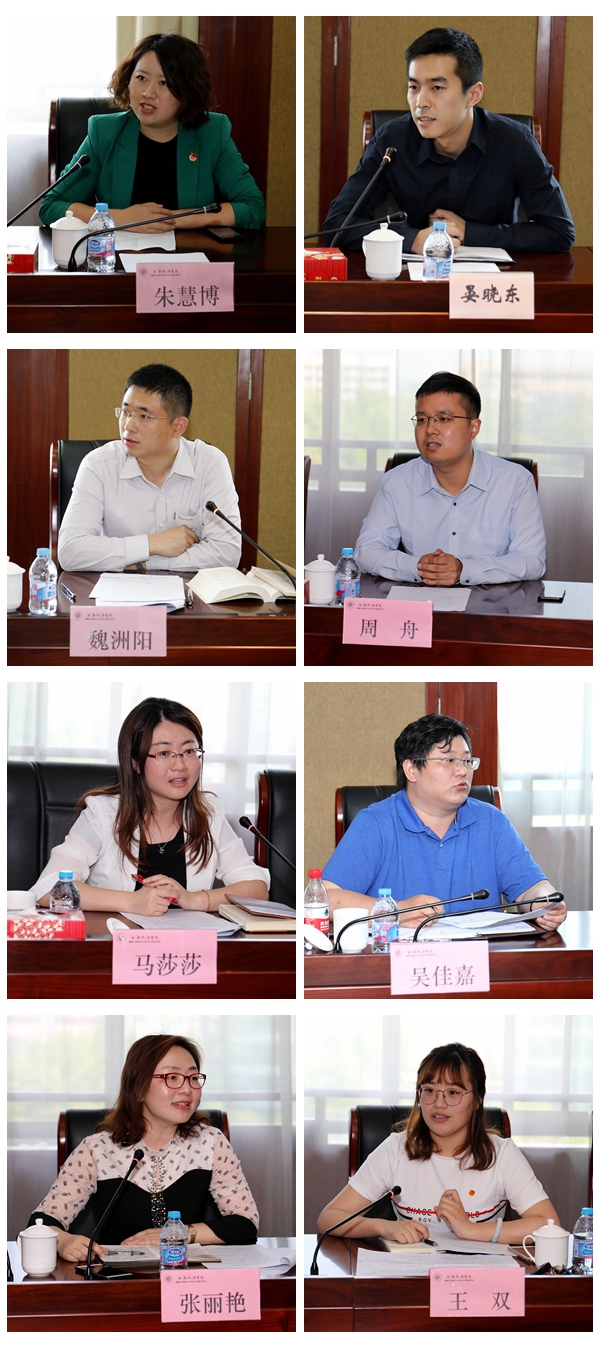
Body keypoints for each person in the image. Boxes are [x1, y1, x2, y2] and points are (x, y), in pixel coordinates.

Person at [322, 26, 574, 254]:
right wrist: (412, 240)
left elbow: (559, 232)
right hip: (413, 277)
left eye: (437, 88)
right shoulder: (392, 141)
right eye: (414, 87)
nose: (421, 102)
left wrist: (469, 232)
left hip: (492, 282)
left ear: (473, 94)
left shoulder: (514, 142)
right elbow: (337, 226)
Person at [322, 713, 567, 930]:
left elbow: (531, 887)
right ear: (411, 770)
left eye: (467, 761)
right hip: (397, 961)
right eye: (449, 761)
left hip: (478, 960)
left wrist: (546, 903)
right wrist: (397, 911)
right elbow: (325, 900)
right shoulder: (375, 823)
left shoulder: (491, 822)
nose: (463, 771)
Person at [29, 696, 270, 916]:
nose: (180, 765)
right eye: (164, 753)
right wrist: (131, 902)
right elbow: (49, 888)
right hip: (113, 942)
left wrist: (193, 899)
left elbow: (257, 888)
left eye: (189, 751)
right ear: (135, 762)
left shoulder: (208, 813)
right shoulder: (103, 813)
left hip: (186, 945)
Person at [27, 1034, 259, 1261]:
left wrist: (182, 1233)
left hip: (185, 1274)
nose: (187, 1089)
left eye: (193, 1077)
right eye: (172, 1077)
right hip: (116, 1278)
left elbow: (245, 1223)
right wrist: (62, 1240)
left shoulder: (211, 1142)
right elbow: (42, 1221)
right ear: (138, 1088)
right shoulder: (96, 1150)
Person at [317, 1042, 561, 1246]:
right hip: (411, 1276)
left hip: (477, 1279)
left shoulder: (502, 1154)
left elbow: (548, 1225)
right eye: (429, 1090)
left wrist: (470, 1229)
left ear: (478, 1100)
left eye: (453, 1092)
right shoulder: (396, 1149)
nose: (438, 1103)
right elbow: (329, 1218)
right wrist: (384, 1227)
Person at [39, 31, 265, 233]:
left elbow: (253, 207)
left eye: (164, 83)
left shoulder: (211, 133)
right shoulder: (105, 133)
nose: (148, 92)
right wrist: (121, 218)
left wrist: (174, 220)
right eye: (141, 78)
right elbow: (51, 206)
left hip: (190, 260)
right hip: (119, 259)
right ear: (128, 81)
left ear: (188, 90)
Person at [353, 371, 546, 587]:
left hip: (490, 603)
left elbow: (532, 561)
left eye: (444, 419)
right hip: (420, 602)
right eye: (422, 419)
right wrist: (418, 566)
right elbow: (365, 552)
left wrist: (465, 570)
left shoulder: (515, 482)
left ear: (474, 428)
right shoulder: (396, 482)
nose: (429, 429)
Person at [57, 363, 242, 573]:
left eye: (144, 416)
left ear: (178, 427)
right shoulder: (98, 465)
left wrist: (143, 563)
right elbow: (70, 551)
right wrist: (153, 544)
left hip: (187, 591)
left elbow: (227, 553)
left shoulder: (209, 464)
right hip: (116, 590)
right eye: (125, 412)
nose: (128, 426)